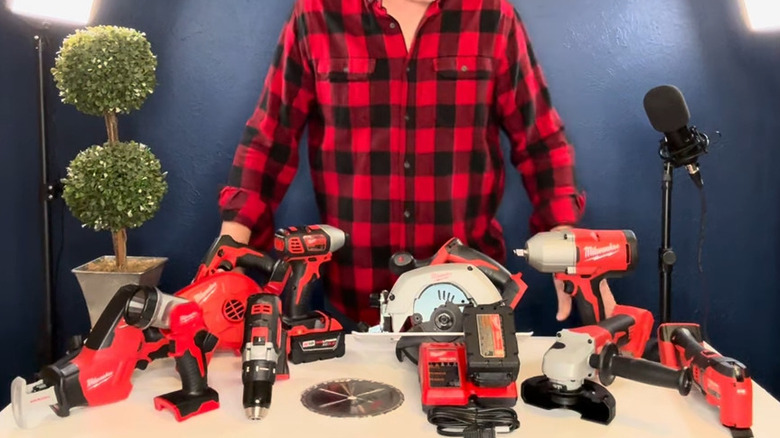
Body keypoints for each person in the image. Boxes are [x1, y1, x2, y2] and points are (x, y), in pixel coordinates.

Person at [216, 0, 616, 328]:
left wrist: (568, 247)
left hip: (473, 298)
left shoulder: (494, 16)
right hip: (359, 300)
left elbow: (541, 139)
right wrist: (230, 247)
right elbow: (271, 136)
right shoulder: (316, 14)